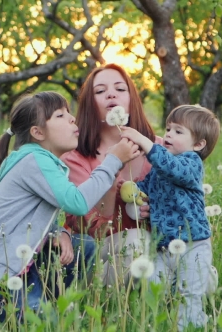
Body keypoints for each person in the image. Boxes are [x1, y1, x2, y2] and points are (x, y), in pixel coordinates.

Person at [0, 91, 141, 322]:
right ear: (38, 132)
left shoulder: (35, 159)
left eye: (69, 113)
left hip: (15, 270)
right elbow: (78, 203)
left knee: (83, 247)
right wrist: (113, 160)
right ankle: (53, 312)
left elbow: (30, 211)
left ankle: (60, 303)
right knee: (40, 324)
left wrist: (57, 231)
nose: (72, 118)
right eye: (60, 115)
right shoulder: (34, 160)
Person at [62, 64, 164, 287]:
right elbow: (93, 229)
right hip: (99, 255)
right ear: (90, 104)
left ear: (131, 98)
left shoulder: (159, 149)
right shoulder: (74, 157)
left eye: (120, 89)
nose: (110, 94)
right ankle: (104, 299)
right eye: (100, 91)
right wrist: (113, 166)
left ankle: (154, 295)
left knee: (206, 278)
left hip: (156, 248)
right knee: (136, 240)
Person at [120, 104, 220, 329]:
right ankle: (156, 323)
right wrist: (131, 192)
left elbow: (171, 167)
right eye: (167, 129)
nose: (168, 134)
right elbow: (145, 188)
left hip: (193, 245)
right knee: (153, 288)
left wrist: (145, 142)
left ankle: (193, 325)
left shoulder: (191, 164)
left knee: (189, 296)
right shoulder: (158, 169)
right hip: (163, 248)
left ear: (198, 144)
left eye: (178, 131)